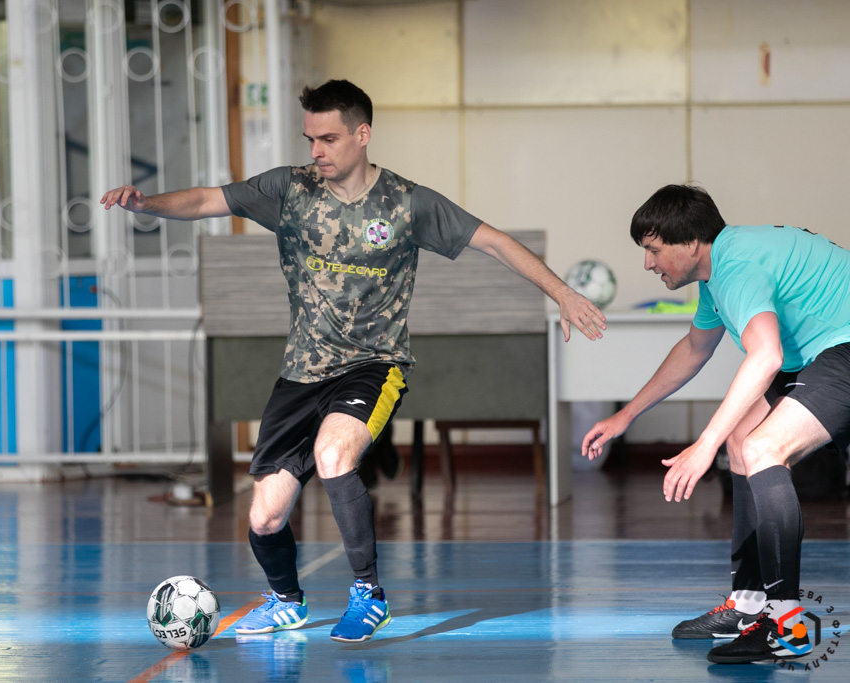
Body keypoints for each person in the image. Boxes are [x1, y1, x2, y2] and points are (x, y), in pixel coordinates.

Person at [103, 79, 606, 643]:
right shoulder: (288, 190)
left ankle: (369, 595)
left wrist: (563, 293)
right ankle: (286, 602)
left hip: (373, 364)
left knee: (333, 455)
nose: (316, 151)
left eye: (329, 139)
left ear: (362, 135)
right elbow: (206, 201)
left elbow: (495, 242)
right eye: (309, 139)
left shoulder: (407, 202)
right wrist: (147, 205)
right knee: (265, 516)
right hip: (300, 373)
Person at [581, 184, 850, 664]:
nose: (647, 263)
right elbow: (693, 349)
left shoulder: (736, 268)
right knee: (742, 442)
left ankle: (786, 626)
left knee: (762, 448)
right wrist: (625, 415)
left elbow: (766, 356)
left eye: (653, 249)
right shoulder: (718, 272)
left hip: (842, 348)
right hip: (821, 353)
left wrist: (704, 443)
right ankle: (748, 605)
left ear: (690, 243)